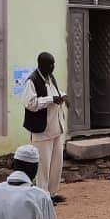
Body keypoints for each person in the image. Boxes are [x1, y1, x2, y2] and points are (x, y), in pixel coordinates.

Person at [23, 52, 68, 203]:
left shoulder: (50, 78)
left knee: (57, 165)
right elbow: (30, 104)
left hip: (56, 129)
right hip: (42, 132)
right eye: (50, 64)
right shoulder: (32, 81)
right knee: (43, 167)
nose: (53, 67)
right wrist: (51, 100)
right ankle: (42, 198)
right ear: (41, 64)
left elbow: (55, 93)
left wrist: (63, 96)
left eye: (53, 64)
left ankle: (52, 194)